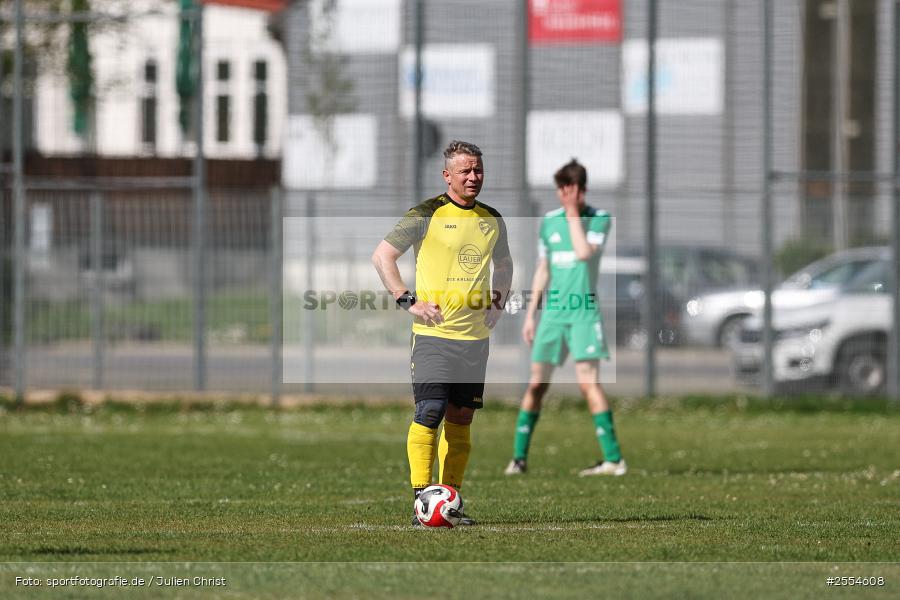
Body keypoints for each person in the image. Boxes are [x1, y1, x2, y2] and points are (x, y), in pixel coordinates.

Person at [372, 140, 513, 526]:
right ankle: (423, 500)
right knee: (429, 411)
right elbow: (382, 255)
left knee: (461, 417)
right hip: (433, 335)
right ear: (447, 175)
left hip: (474, 340)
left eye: (478, 170)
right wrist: (408, 300)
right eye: (465, 170)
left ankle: (452, 500)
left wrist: (498, 302)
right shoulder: (425, 214)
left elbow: (504, 266)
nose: (473, 177)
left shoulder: (491, 219)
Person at [504, 159, 626, 477]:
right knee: (536, 385)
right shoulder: (549, 222)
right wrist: (531, 314)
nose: (563, 196)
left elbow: (585, 253)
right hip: (553, 314)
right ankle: (518, 459)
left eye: (568, 190)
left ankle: (613, 460)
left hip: (584, 312)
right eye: (560, 190)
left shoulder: (598, 220)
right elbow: (544, 269)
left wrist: (573, 214)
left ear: (581, 190)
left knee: (589, 384)